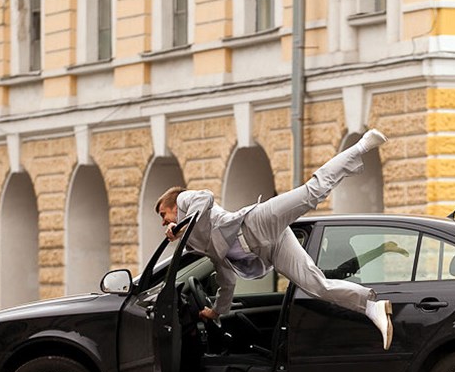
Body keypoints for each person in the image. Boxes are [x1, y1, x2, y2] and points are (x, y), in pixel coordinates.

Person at [155, 129, 396, 350]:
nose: (164, 222)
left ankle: (362, 145)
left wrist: (181, 225)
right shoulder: (196, 242)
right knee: (316, 285)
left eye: (164, 215)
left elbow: (205, 198)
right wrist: (217, 311)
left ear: (174, 206)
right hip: (271, 249)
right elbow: (226, 278)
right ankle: (370, 305)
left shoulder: (186, 201)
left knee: (312, 192)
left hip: (256, 222)